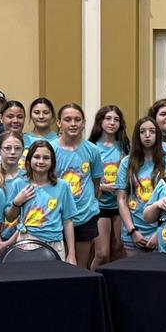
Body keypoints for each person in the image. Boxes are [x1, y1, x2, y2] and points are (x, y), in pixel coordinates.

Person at [0, 139, 76, 263]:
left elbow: (67, 221)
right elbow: (9, 217)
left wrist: (71, 254)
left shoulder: (62, 186)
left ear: (52, 162)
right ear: (29, 161)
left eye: (46, 158)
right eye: (37, 157)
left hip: (55, 243)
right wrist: (17, 202)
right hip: (27, 241)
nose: (41, 161)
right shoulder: (19, 184)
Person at [52, 105, 108, 268]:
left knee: (80, 267)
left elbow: (96, 184)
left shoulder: (92, 150)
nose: (73, 124)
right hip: (58, 216)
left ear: (84, 123)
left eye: (77, 120)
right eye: (67, 120)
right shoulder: (51, 149)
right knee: (59, 266)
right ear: (59, 123)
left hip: (85, 215)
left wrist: (89, 203)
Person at [118, 119, 166, 254]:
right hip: (133, 230)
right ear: (137, 135)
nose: (147, 135)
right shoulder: (126, 163)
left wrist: (159, 232)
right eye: (142, 131)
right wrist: (132, 231)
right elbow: (121, 199)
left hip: (160, 231)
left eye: (152, 131)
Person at [90, 105, 129, 265]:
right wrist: (103, 187)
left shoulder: (125, 147)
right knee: (102, 254)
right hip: (99, 205)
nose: (112, 123)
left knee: (119, 248)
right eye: (108, 118)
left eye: (116, 119)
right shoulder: (92, 147)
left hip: (120, 205)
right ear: (100, 121)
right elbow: (84, 179)